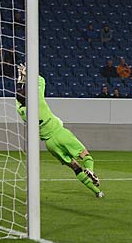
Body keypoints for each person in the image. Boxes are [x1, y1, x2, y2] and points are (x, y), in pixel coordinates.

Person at [15, 64, 104, 198]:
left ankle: (97, 192)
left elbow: (19, 96)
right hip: (60, 133)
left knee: (75, 167)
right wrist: (27, 73)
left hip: (50, 144)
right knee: (85, 155)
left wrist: (21, 79)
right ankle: (90, 170)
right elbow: (41, 81)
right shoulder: (38, 100)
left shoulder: (21, 110)